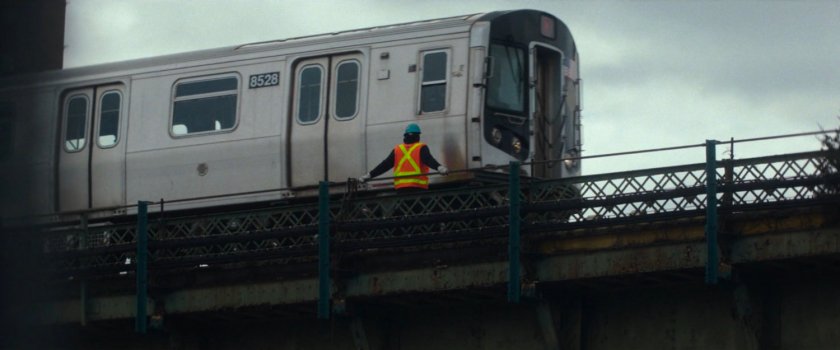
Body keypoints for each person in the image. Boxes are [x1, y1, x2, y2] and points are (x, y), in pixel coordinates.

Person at [359, 123, 448, 190]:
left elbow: (384, 165)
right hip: (418, 188)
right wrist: (439, 168)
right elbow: (429, 160)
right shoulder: (420, 147)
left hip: (401, 189)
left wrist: (369, 175)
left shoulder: (398, 149)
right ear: (417, 136)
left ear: (405, 136)